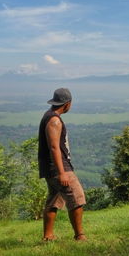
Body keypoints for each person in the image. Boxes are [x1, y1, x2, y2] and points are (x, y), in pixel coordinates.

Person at [38, 87, 86, 241]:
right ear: (67, 104)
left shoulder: (48, 116)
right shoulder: (54, 120)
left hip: (51, 168)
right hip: (59, 168)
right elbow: (54, 147)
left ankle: (48, 236)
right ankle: (80, 236)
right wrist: (62, 172)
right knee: (77, 199)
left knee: (54, 200)